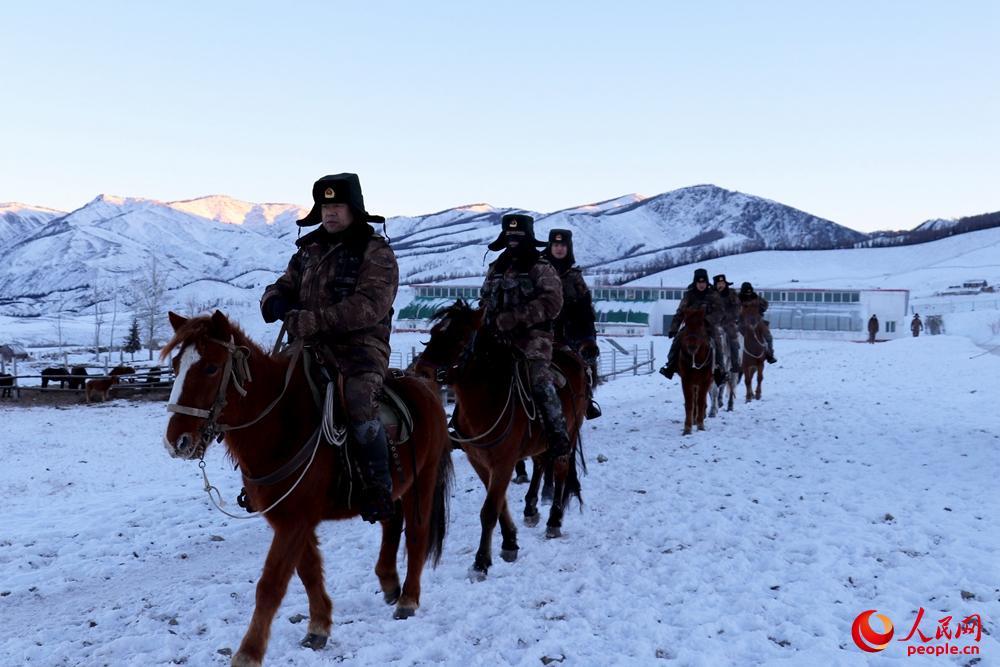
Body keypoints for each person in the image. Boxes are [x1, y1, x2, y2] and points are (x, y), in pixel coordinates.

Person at [260, 173, 398, 523]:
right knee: (269, 389)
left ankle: (379, 486)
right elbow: (281, 286)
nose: (330, 213)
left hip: (360, 347)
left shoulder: (376, 251)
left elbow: (373, 303)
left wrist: (317, 320)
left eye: (337, 205)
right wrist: (276, 303)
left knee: (357, 398)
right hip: (307, 345)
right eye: (325, 206)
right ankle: (266, 476)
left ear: (354, 209)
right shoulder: (308, 251)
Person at [480, 213, 570, 460]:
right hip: (495, 337)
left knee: (539, 380)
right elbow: (485, 300)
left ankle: (557, 433)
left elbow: (553, 303)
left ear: (528, 238)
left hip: (532, 339)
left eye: (518, 236)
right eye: (509, 236)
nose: (512, 241)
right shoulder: (495, 268)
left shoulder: (540, 268)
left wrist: (516, 317)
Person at [543, 229, 601, 420]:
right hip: (542, 328)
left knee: (581, 362)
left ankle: (586, 399)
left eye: (563, 246)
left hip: (569, 331)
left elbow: (585, 308)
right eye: (556, 245)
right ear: (550, 247)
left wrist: (589, 336)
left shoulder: (574, 275)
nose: (559, 249)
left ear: (569, 248)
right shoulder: (539, 270)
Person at [658, 268, 729, 384]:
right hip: (691, 327)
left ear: (707, 282)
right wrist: (674, 328)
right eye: (699, 282)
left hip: (708, 326)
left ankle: (720, 371)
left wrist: (707, 319)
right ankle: (670, 367)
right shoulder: (689, 295)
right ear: (695, 282)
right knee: (677, 341)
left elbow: (720, 311)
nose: (701, 285)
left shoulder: (713, 295)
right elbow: (680, 312)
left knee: (717, 342)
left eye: (704, 282)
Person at [737, 282, 777, 363]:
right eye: (746, 292)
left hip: (757, 321)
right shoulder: (737, 299)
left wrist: (759, 307)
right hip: (742, 322)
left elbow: (765, 305)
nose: (748, 293)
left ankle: (769, 354)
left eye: (749, 291)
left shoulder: (756, 297)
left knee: (768, 336)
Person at [713, 273, 742, 373]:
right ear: (715, 285)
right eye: (718, 283)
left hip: (728, 322)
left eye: (722, 283)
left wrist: (729, 316)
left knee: (732, 337)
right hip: (713, 322)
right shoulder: (711, 294)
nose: (721, 285)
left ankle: (735, 363)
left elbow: (737, 308)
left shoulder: (732, 293)